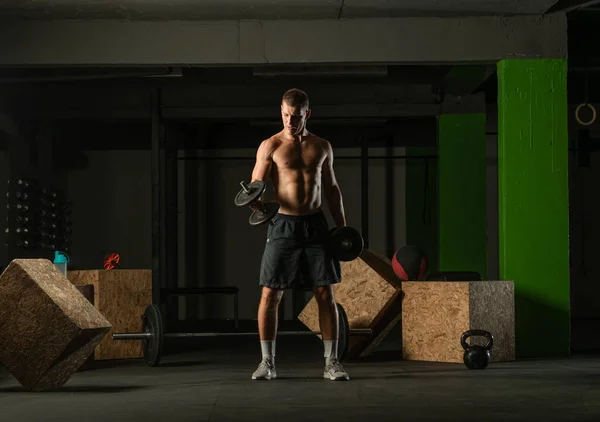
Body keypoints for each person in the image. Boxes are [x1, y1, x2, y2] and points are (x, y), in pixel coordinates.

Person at [248, 88, 350, 381]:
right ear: (281, 112)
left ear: (307, 113)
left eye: (295, 116)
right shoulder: (270, 146)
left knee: (325, 293)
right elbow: (257, 185)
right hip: (283, 224)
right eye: (285, 115)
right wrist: (255, 200)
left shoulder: (321, 146)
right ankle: (267, 363)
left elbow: (331, 189)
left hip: (316, 225)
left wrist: (341, 227)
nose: (290, 121)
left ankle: (332, 363)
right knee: (270, 293)